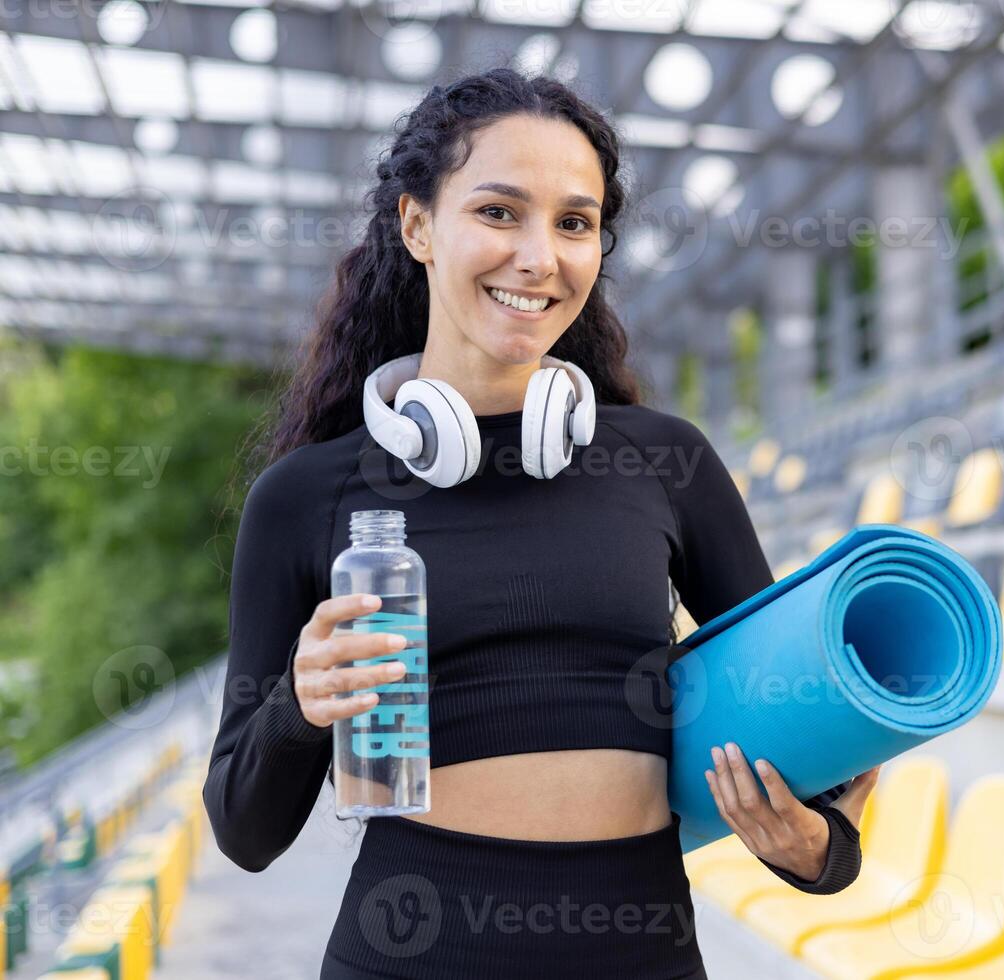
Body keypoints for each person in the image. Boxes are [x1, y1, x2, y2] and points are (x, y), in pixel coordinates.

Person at [203, 65, 878, 979]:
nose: (540, 256)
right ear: (416, 227)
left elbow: (802, 748)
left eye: (574, 222)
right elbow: (244, 832)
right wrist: (301, 702)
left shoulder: (664, 462)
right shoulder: (305, 496)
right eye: (498, 212)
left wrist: (816, 848)